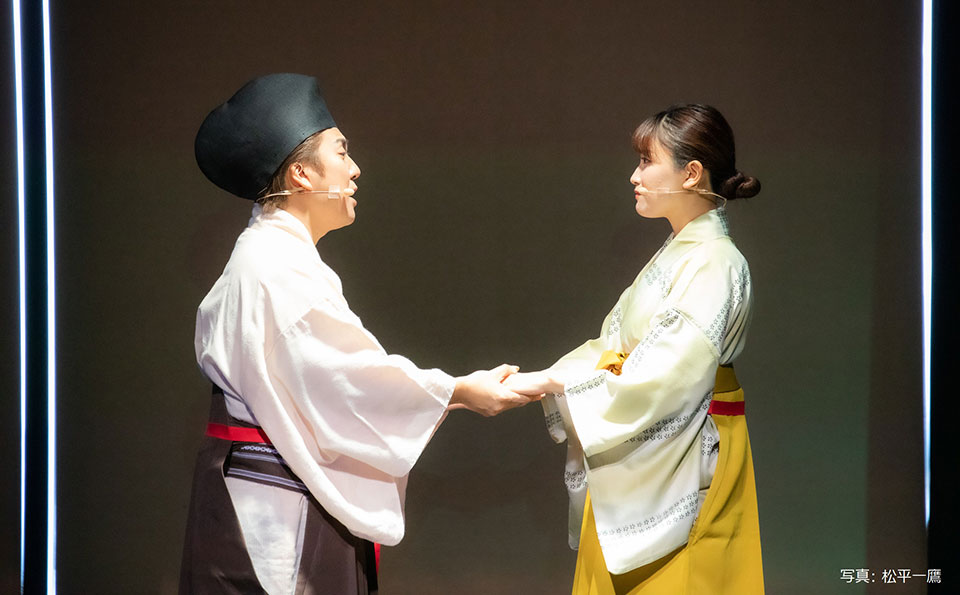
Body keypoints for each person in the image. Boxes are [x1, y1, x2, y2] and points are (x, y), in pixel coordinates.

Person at [179, 73, 536, 595]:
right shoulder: (275, 266)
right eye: (341, 152)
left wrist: (454, 393)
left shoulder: (272, 256)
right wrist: (458, 391)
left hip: (263, 493)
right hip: (272, 509)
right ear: (302, 174)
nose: (355, 169)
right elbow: (349, 380)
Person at [506, 104, 764, 594]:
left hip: (687, 447)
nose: (635, 175)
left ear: (691, 173)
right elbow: (613, 345)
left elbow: (666, 373)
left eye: (647, 161)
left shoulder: (715, 260)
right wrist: (547, 378)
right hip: (652, 448)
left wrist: (558, 382)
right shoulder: (683, 252)